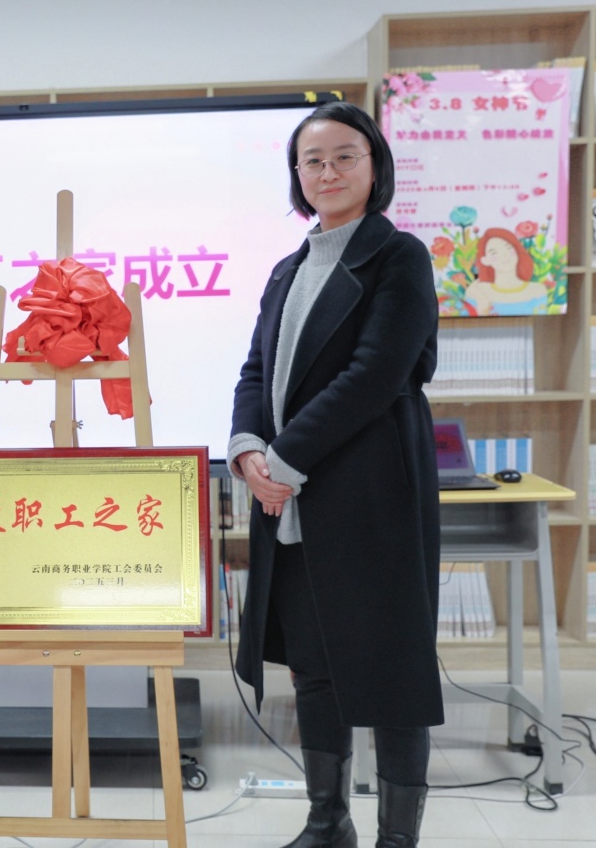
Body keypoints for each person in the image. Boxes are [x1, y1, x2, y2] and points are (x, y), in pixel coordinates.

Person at [227, 101, 442, 848]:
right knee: (313, 666)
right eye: (312, 161)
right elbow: (256, 369)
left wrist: (284, 460)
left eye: (345, 156)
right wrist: (247, 449)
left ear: (374, 165)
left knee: (392, 670)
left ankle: (396, 838)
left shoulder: (399, 256)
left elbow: (376, 374)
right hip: (289, 500)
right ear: (298, 175)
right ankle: (328, 822)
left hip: (371, 491)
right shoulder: (287, 268)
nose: (328, 171)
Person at [464, 227, 546, 315]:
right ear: (485, 260)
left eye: (508, 248)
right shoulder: (478, 291)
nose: (504, 255)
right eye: (494, 253)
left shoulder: (537, 290)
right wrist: (481, 304)